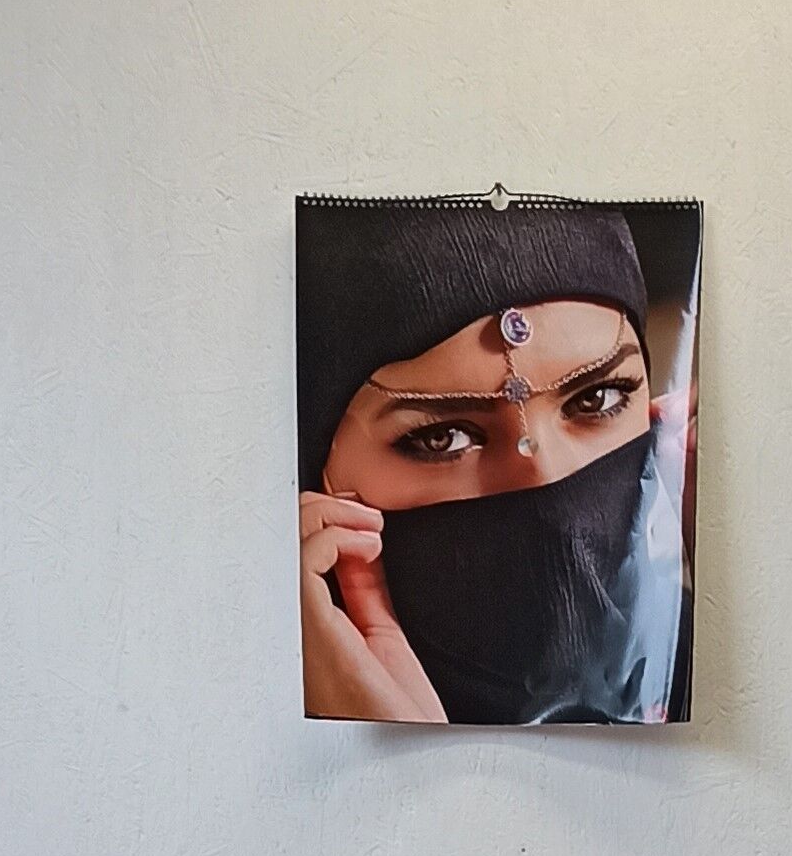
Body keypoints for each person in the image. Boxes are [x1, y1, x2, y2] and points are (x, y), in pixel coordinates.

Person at [296, 201, 693, 724]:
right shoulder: (221, 709)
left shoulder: (718, 673)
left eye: (596, 399)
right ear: (314, 468)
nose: (543, 475)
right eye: (442, 438)